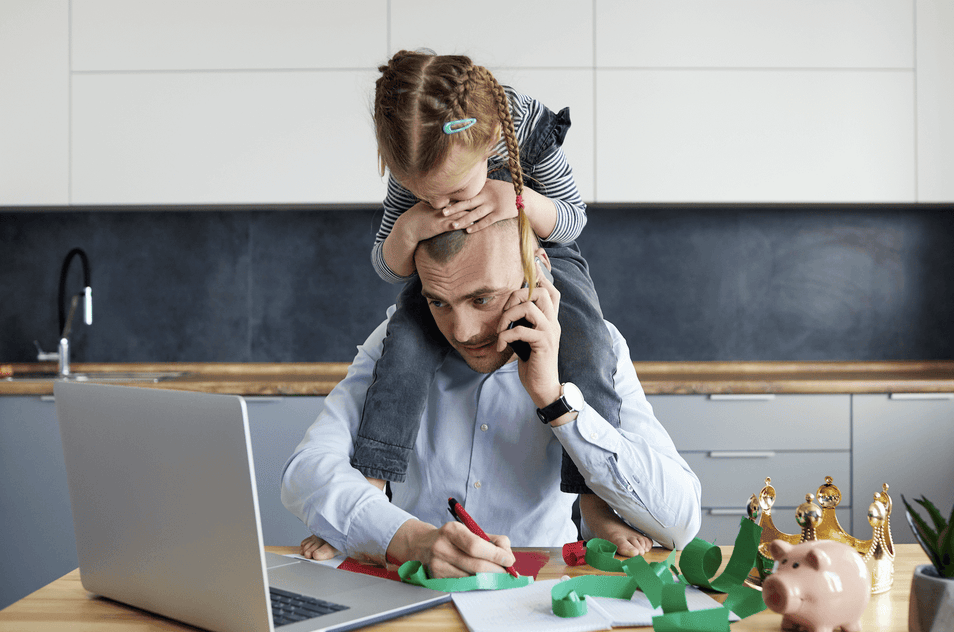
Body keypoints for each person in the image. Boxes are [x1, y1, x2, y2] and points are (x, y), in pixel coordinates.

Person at [281, 218, 702, 578]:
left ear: (535, 269)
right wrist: (407, 540)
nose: (461, 330)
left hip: (544, 602)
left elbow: (680, 522)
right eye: (438, 302)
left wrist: (556, 402)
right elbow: (306, 473)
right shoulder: (397, 345)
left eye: (481, 298)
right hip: (414, 596)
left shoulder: (596, 346)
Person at [353, 49, 617, 499]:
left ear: (491, 138)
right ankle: (372, 482)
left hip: (539, 250)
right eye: (423, 195)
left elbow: (573, 218)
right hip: (450, 272)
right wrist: (410, 226)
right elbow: (388, 268)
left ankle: (595, 498)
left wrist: (516, 200)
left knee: (587, 344)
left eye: (451, 191)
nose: (439, 206)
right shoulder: (416, 155)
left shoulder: (527, 128)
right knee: (405, 348)